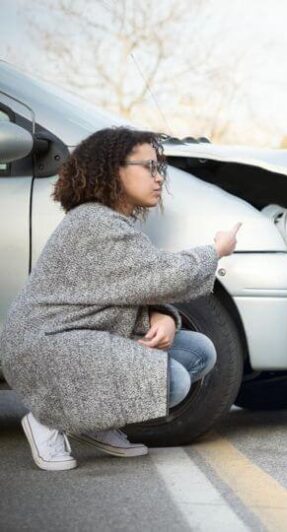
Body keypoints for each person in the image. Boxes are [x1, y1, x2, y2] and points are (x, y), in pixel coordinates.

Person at [0, 127, 241, 471]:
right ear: (114, 170)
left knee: (199, 352)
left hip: (81, 338)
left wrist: (165, 318)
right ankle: (48, 418)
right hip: (44, 347)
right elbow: (165, 275)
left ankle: (93, 421)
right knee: (172, 381)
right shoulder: (94, 223)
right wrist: (217, 250)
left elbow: (134, 288)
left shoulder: (112, 220)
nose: (159, 178)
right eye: (149, 167)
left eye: (160, 168)